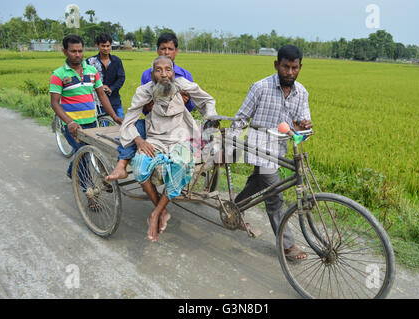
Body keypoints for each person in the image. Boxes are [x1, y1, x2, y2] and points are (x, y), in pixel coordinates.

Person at [119, 55, 217, 242]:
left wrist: (210, 118)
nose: (164, 74)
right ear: (152, 74)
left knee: (181, 163)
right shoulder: (144, 91)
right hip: (155, 139)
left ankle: (155, 213)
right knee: (139, 165)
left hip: (181, 138)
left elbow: (208, 100)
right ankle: (162, 210)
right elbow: (129, 121)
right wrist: (139, 140)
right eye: (158, 70)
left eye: (168, 69)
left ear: (173, 72)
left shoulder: (182, 84)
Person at [229, 45, 313, 260]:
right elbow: (241, 118)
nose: (290, 72)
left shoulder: (302, 92)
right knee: (274, 195)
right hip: (259, 146)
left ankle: (235, 208)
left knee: (258, 182)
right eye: (286, 67)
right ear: (277, 65)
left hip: (282, 148)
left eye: (295, 68)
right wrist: (230, 142)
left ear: (300, 67)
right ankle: (287, 245)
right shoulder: (260, 87)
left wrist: (303, 127)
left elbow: (303, 125)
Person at [106, 32, 195, 181]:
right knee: (133, 129)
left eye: (170, 49)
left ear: (176, 51)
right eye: (162, 48)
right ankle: (121, 165)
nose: (166, 52)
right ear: (157, 50)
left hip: (177, 122)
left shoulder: (185, 75)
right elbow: (143, 106)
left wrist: (185, 102)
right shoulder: (148, 75)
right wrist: (150, 106)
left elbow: (192, 106)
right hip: (154, 122)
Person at [49, 35, 123, 183]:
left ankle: (72, 171)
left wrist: (114, 116)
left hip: (91, 122)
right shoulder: (58, 75)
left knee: (83, 151)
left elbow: (102, 95)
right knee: (84, 154)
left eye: (80, 51)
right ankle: (89, 191)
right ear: (65, 52)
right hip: (72, 125)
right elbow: (55, 103)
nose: (77, 54)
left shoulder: (91, 71)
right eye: (73, 51)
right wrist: (69, 122)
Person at [86, 32, 126, 119]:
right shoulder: (90, 62)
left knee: (122, 125)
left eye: (108, 46)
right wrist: (99, 87)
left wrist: (111, 88)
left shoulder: (116, 61)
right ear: (97, 45)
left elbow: (121, 78)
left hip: (115, 101)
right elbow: (86, 80)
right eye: (103, 46)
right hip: (98, 103)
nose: (106, 48)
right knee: (104, 128)